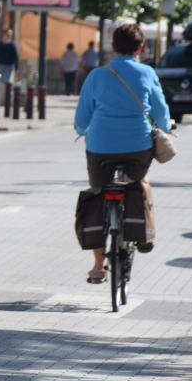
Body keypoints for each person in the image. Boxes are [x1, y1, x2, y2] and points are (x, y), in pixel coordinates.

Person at [74, 23, 170, 284]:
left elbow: (82, 117)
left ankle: (98, 264)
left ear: (113, 47)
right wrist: (167, 127)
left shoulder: (97, 76)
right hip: (138, 148)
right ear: (141, 48)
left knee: (98, 193)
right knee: (139, 182)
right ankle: (144, 234)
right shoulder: (147, 73)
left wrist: (82, 129)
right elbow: (161, 113)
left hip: (100, 148)